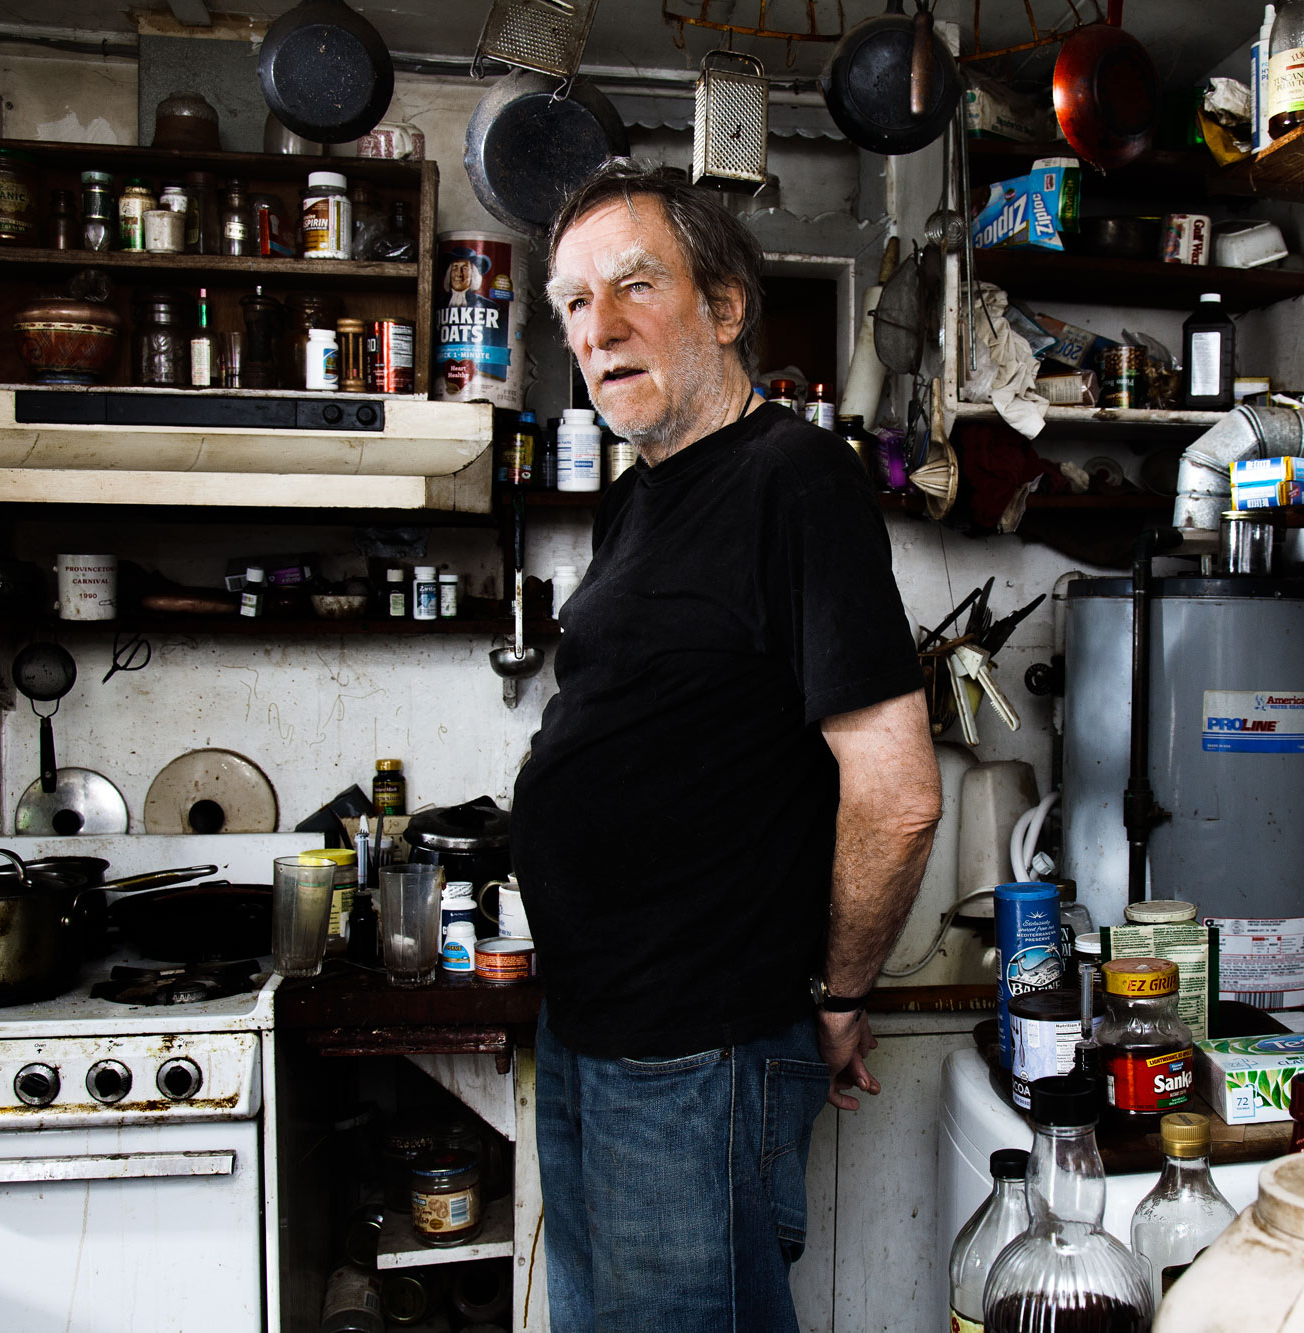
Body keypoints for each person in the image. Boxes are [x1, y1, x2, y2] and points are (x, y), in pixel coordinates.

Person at [512, 160, 942, 1332]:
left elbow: (896, 794)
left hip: (699, 1049)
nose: (596, 330)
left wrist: (839, 991)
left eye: (633, 285)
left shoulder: (794, 479)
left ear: (723, 305)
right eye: (570, 304)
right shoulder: (637, 495)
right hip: (595, 1026)